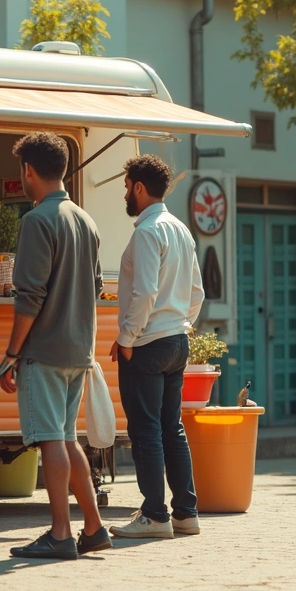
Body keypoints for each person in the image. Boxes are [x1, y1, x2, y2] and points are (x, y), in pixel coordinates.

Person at [0, 132, 107, 560]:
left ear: (28, 171)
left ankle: (61, 533)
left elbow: (29, 297)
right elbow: (96, 289)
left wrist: (12, 353)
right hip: (79, 350)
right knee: (66, 438)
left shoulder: (37, 220)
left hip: (43, 351)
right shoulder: (86, 220)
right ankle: (93, 528)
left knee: (50, 441)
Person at [108, 155, 205, 540]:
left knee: (146, 430)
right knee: (171, 428)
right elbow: (197, 293)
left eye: (126, 187)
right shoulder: (181, 229)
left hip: (148, 344)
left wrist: (127, 338)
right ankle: (186, 513)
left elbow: (145, 291)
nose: (125, 195)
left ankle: (154, 515)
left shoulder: (147, 232)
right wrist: (180, 325)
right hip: (177, 340)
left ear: (139, 187)